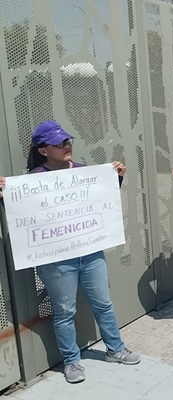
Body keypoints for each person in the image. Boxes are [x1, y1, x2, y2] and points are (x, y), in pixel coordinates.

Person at [0, 120, 140, 384]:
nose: (66, 146)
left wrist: (117, 178)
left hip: (90, 254)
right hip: (57, 261)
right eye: (59, 143)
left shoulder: (85, 172)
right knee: (64, 310)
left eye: (67, 141)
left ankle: (115, 349)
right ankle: (71, 361)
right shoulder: (32, 181)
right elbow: (24, 217)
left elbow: (102, 201)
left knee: (103, 303)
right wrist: (6, 195)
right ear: (43, 150)